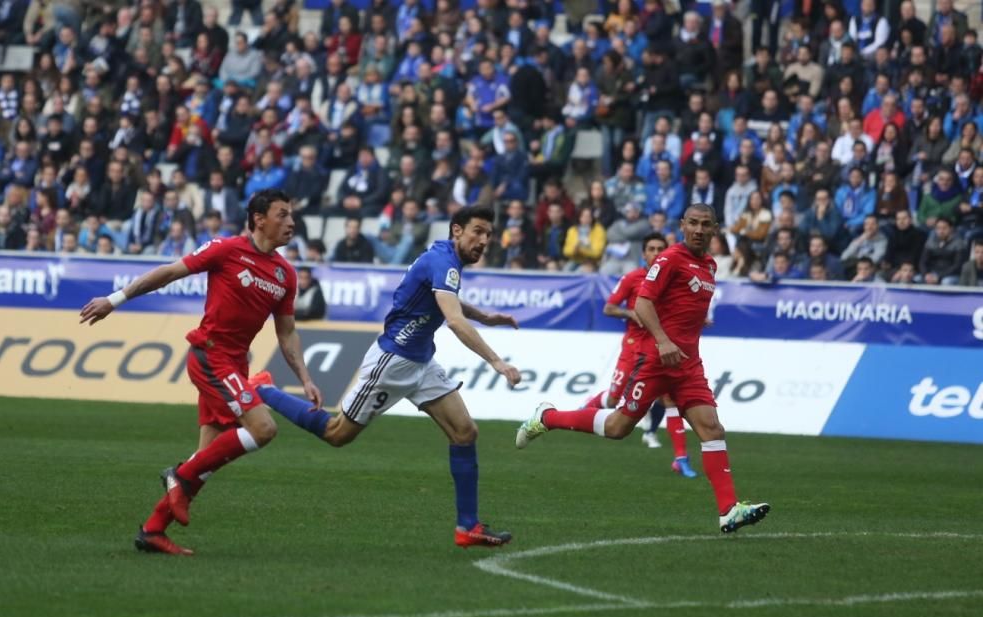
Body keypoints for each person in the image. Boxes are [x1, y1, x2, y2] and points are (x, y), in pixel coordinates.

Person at [248, 206, 521, 548]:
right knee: (336, 434)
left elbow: (446, 300)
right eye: (477, 231)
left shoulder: (445, 260)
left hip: (421, 361)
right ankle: (265, 389)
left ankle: (468, 527)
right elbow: (452, 319)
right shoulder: (444, 261)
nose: (484, 240)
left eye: (488, 234)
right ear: (456, 231)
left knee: (465, 432)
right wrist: (496, 361)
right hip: (393, 361)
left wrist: (486, 317)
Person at [79, 189, 317, 556]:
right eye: (283, 215)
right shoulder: (226, 249)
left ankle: (153, 530)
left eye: (291, 215)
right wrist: (114, 300)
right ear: (259, 219)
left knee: (206, 460)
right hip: (210, 355)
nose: (291, 222)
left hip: (235, 363)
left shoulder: (285, 274)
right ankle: (178, 474)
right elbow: (169, 273)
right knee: (263, 429)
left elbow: (286, 332)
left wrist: (304, 378)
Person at [515, 204, 770, 534]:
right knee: (618, 427)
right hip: (657, 361)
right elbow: (642, 303)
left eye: (705, 224)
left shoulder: (709, 265)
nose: (698, 229)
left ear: (715, 230)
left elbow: (681, 308)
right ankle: (546, 417)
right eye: (692, 223)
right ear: (682, 226)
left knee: (712, 429)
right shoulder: (670, 259)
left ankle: (728, 510)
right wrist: (663, 340)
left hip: (689, 364)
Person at [584, 233, 697, 474]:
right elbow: (609, 307)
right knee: (614, 399)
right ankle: (587, 410)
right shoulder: (632, 278)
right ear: (644, 253)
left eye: (660, 249)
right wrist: (632, 314)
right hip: (634, 346)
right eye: (651, 249)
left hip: (660, 347)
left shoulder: (675, 277)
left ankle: (681, 458)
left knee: (670, 399)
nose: (656, 253)